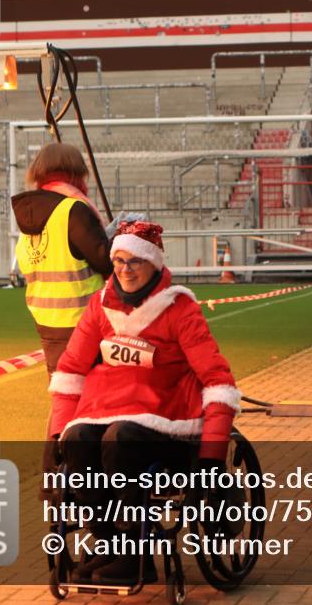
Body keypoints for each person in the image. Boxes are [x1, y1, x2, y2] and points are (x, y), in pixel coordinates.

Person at [49, 220, 241, 584]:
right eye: (118, 261)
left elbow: (218, 381)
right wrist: (57, 433)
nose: (125, 270)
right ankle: (109, 543)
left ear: (153, 264)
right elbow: (70, 370)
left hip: (167, 422)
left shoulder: (180, 308)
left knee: (119, 439)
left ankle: (134, 554)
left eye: (135, 261)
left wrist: (213, 455)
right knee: (77, 439)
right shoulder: (100, 306)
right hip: (107, 411)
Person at [13, 142, 113, 374]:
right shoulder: (73, 209)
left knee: (62, 383)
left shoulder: (29, 214)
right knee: (90, 385)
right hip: (82, 316)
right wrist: (120, 237)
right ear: (76, 172)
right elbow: (102, 259)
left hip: (46, 317)